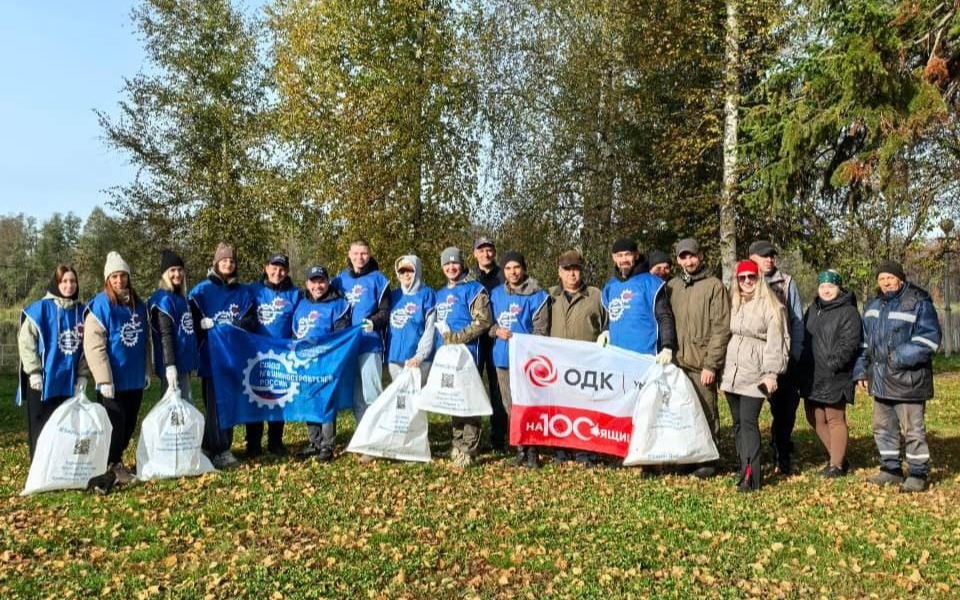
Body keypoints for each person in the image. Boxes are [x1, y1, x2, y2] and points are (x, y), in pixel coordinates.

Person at [853, 260, 941, 493]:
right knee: (882, 427)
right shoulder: (872, 306)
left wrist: (897, 358)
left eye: (890, 278)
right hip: (881, 381)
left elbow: (928, 340)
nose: (886, 283)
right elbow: (864, 344)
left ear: (900, 279)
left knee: (913, 429)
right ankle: (890, 469)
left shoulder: (918, 302)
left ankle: (917, 473)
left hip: (909, 381)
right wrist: (861, 370)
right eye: (881, 279)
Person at [720, 260, 789, 492]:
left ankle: (752, 473)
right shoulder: (734, 303)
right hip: (732, 372)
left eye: (752, 277)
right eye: (742, 278)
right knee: (738, 424)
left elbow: (777, 343)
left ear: (759, 279)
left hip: (756, 373)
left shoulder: (772, 307)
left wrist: (771, 374)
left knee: (749, 423)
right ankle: (742, 467)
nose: (747, 281)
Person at [84, 252, 151, 485]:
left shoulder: (137, 304)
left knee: (129, 423)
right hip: (112, 379)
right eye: (114, 276)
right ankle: (112, 464)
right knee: (115, 423)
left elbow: (145, 341)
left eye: (123, 275)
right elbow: (94, 346)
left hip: (133, 377)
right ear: (108, 279)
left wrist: (146, 371)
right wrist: (103, 379)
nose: (119, 281)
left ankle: (115, 460)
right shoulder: (100, 305)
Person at [189, 242, 256, 469]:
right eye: (224, 260)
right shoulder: (201, 291)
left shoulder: (243, 292)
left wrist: (231, 324)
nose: (228, 263)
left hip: (234, 359)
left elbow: (251, 321)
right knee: (214, 404)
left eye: (231, 260)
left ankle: (217, 446)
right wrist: (200, 325)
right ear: (216, 262)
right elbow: (189, 323)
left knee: (227, 402)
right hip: (211, 358)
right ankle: (215, 447)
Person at [667, 238, 731, 478]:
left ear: (701, 256)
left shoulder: (714, 286)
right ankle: (687, 456)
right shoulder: (673, 286)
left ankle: (708, 458)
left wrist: (711, 364)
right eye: (684, 257)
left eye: (692, 256)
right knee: (683, 412)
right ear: (678, 260)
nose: (689, 261)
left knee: (706, 410)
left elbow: (721, 327)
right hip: (678, 362)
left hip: (702, 362)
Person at [18, 265, 90, 459]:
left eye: (72, 281)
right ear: (57, 283)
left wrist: (83, 376)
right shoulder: (40, 309)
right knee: (40, 425)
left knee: (66, 426)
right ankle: (39, 466)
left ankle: (60, 466)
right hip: (43, 381)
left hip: (69, 380)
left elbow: (88, 348)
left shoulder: (83, 312)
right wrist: (33, 371)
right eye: (64, 281)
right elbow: (25, 341)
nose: (69, 285)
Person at [546, 250, 607, 467]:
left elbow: (608, 323)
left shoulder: (596, 295)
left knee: (585, 408)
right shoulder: (550, 296)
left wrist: (606, 334)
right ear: (559, 272)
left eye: (576, 269)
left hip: (587, 364)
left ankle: (585, 452)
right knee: (560, 408)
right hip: (558, 364)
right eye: (567, 270)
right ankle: (561, 451)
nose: (572, 274)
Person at [488, 251, 549, 468]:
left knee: (529, 404)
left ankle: (533, 451)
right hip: (502, 358)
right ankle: (520, 449)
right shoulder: (495, 294)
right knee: (510, 406)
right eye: (507, 268)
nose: (512, 272)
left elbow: (541, 331)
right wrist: (496, 330)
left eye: (516, 267)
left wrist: (522, 341)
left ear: (523, 268)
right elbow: (487, 325)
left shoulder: (537, 295)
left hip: (527, 361)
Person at [749, 240, 804, 475]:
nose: (769, 259)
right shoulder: (743, 280)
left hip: (782, 356)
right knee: (748, 412)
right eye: (764, 256)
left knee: (784, 411)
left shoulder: (787, 282)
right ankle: (749, 459)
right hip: (752, 359)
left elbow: (797, 320)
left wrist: (795, 353)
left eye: (772, 255)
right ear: (752, 258)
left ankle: (782, 454)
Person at [799, 269, 861, 478]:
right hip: (811, 374)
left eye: (831, 286)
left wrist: (833, 363)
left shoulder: (848, 311)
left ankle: (836, 465)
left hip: (835, 375)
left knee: (835, 418)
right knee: (814, 417)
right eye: (823, 286)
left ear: (839, 288)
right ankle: (839, 456)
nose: (826, 290)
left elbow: (850, 342)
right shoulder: (813, 309)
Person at [436, 246, 493, 468]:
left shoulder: (474, 289)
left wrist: (458, 338)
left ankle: (469, 447)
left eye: (455, 263)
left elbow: (483, 321)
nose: (451, 267)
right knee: (454, 399)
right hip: (447, 357)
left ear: (461, 264)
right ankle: (457, 442)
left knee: (468, 400)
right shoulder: (440, 294)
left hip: (468, 354)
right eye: (447, 264)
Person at [293, 265, 352, 462]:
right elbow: (295, 335)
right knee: (310, 400)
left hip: (328, 363)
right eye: (313, 281)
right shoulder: (301, 305)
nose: (318, 286)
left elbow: (340, 334)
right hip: (306, 364)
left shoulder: (338, 304)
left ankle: (327, 445)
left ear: (328, 282)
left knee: (326, 402)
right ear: (307, 284)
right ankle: (314, 442)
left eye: (321, 281)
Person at [246, 252, 302, 457]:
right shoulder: (254, 290)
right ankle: (252, 444)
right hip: (255, 354)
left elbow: (301, 322)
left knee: (278, 397)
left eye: (281, 269)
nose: (277, 272)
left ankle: (275, 442)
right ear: (266, 268)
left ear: (286, 271)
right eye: (273, 267)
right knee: (255, 397)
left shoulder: (295, 294)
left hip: (282, 356)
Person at [332, 240, 390, 426]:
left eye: (364, 253)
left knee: (372, 393)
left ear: (369, 254)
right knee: (357, 394)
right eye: (356, 253)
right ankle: (363, 436)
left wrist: (374, 322)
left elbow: (385, 311)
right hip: (347, 345)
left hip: (370, 344)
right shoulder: (339, 280)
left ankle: (378, 436)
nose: (360, 257)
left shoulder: (379, 279)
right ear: (349, 254)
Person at [600, 237, 676, 363]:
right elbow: (612, 316)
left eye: (628, 254)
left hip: (645, 356)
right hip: (616, 356)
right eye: (620, 256)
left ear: (636, 255)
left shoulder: (652, 283)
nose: (624, 259)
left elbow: (664, 317)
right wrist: (605, 331)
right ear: (614, 257)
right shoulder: (610, 287)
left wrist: (667, 346)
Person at [469, 236, 507, 453]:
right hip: (474, 340)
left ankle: (498, 438)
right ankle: (472, 436)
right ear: (475, 254)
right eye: (481, 250)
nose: (485, 254)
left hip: (496, 339)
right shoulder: (470, 279)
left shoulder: (504, 276)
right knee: (471, 386)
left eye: (489, 250)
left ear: (494, 252)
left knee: (497, 389)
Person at [147, 249, 198, 400]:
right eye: (173, 270)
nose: (177, 274)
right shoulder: (163, 300)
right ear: (165, 274)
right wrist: (170, 365)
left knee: (184, 406)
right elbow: (165, 335)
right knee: (175, 410)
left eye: (180, 270)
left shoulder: (180, 297)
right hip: (173, 363)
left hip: (183, 362)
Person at [386, 255, 436, 385]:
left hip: (419, 360)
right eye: (402, 271)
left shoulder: (428, 294)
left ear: (417, 270)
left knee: (416, 401)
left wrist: (420, 356)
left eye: (410, 270)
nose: (406, 274)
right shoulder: (393, 296)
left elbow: (431, 329)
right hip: (395, 358)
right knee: (400, 400)